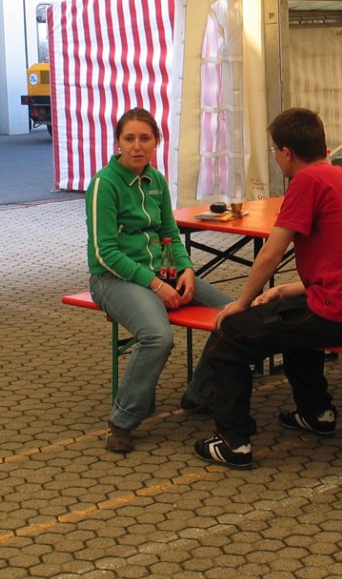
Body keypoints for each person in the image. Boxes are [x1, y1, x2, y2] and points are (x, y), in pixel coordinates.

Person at [194, 107, 342, 470]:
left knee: (231, 335)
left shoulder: (307, 182)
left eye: (274, 150)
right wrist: (288, 290)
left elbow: (271, 253)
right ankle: (316, 413)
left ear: (287, 152)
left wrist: (242, 302)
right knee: (293, 327)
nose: (275, 158)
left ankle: (233, 442)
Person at [86, 108, 232, 454]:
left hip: (161, 275)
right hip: (112, 279)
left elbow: (170, 233)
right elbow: (105, 252)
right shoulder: (104, 184)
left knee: (234, 315)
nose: (137, 146)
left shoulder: (157, 180)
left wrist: (186, 269)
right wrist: (155, 285)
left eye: (145, 138)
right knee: (157, 337)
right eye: (129, 139)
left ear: (157, 142)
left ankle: (198, 395)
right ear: (118, 142)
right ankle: (122, 421)